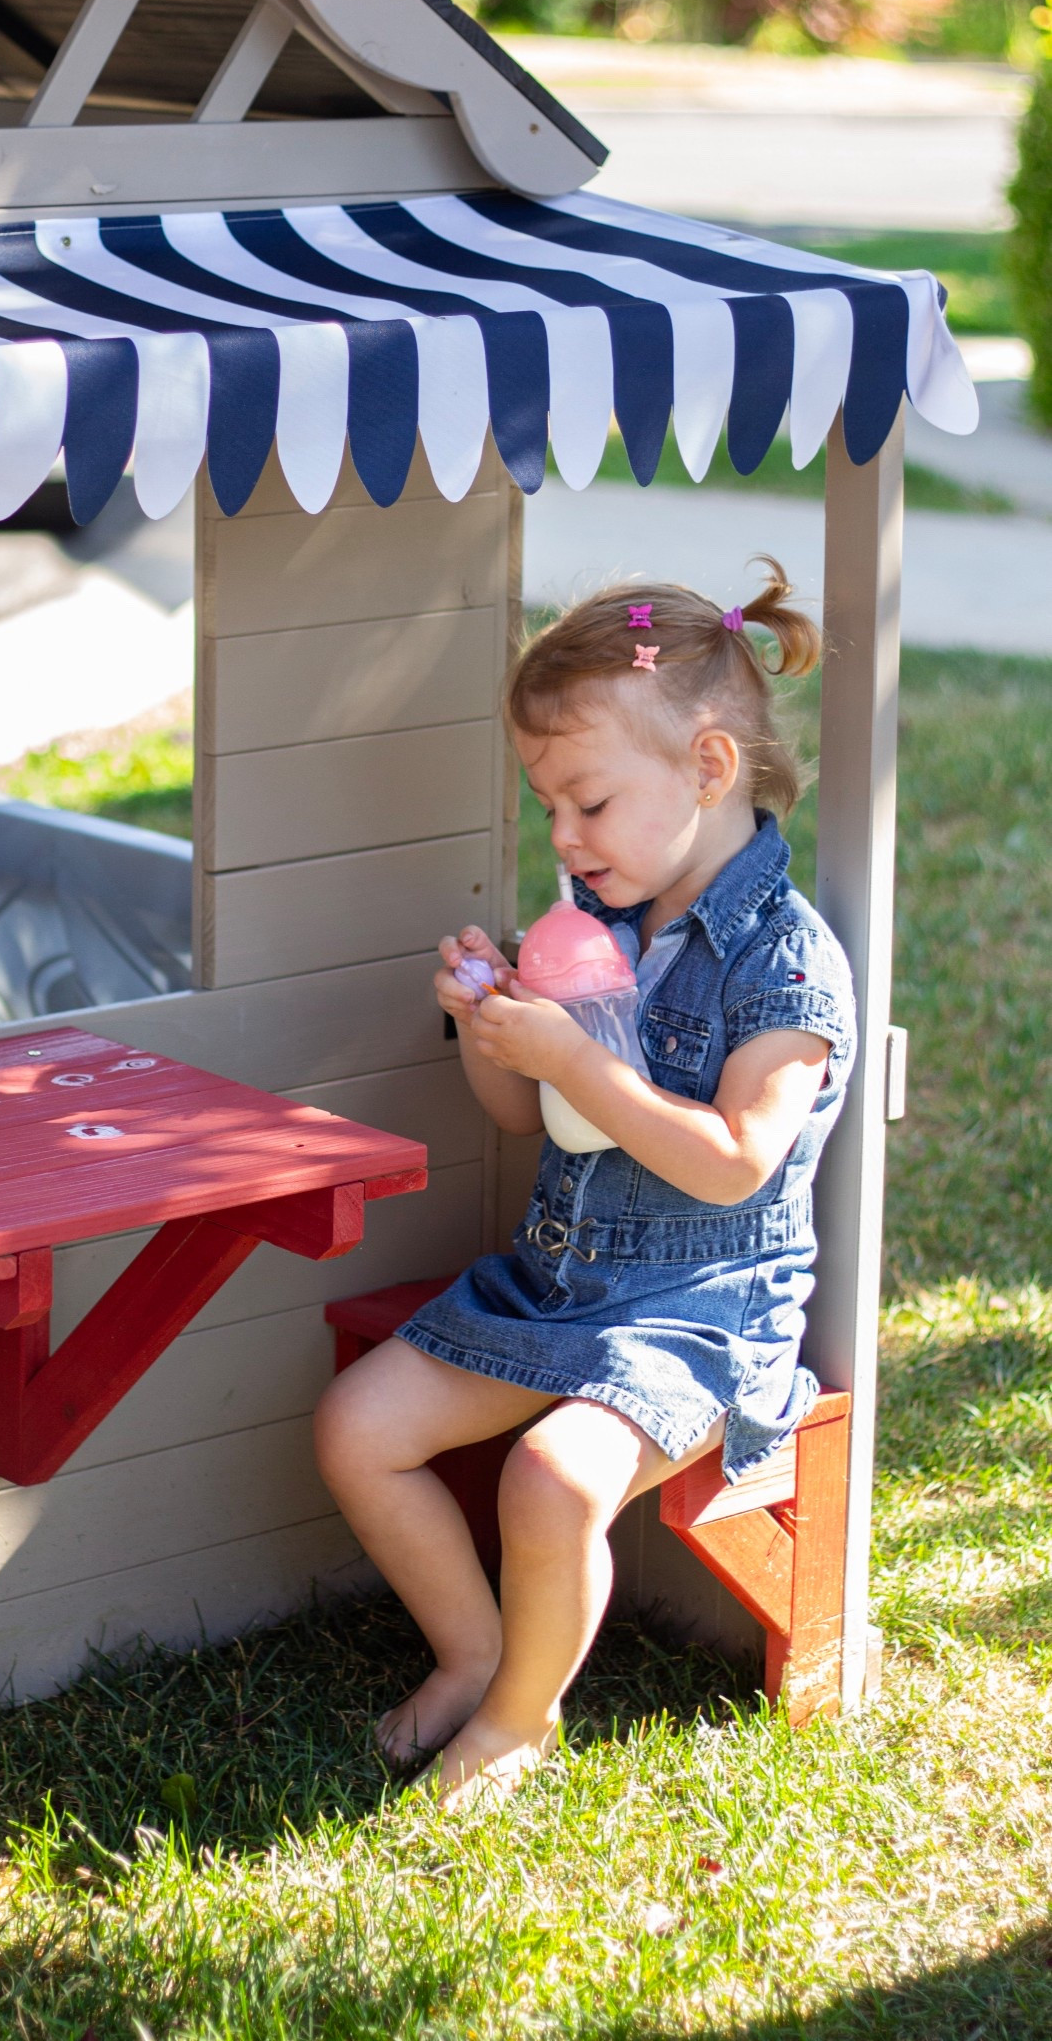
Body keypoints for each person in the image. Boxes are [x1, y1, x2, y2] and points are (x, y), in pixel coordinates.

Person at [314, 557, 857, 1809]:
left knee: (550, 1479)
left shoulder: (785, 966)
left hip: (704, 1314)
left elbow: (733, 1163)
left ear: (709, 770)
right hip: (559, 1281)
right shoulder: (596, 919)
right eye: (545, 805)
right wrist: (497, 1031)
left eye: (589, 802)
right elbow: (530, 1118)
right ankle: (475, 1650)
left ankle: (520, 1719)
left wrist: (576, 1057)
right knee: (359, 1429)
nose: (561, 837)